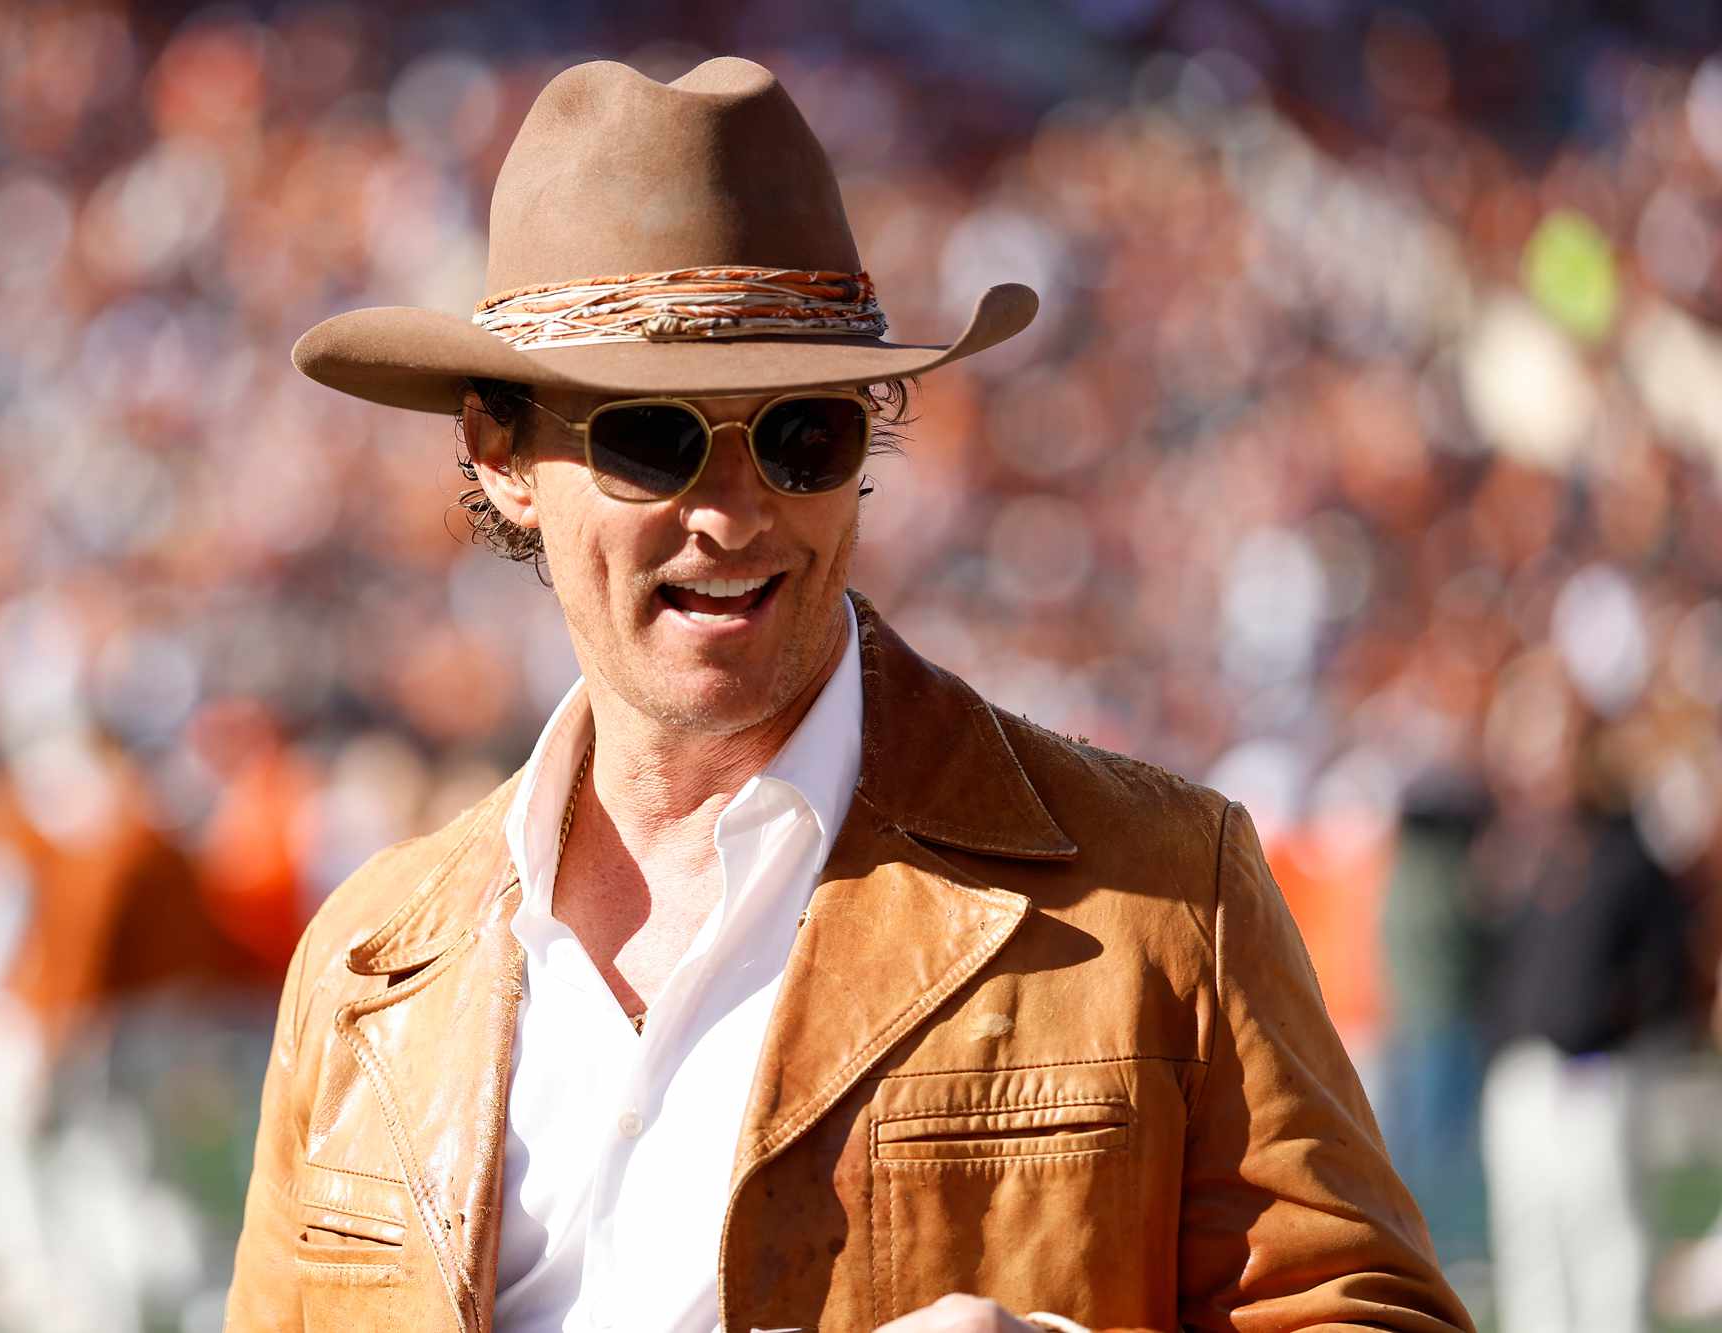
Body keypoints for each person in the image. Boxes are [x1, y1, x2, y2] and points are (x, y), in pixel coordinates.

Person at [225, 57, 1471, 1333]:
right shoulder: (370, 965)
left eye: (799, 434)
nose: (733, 512)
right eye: (649, 438)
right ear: (501, 457)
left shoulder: (1161, 892)